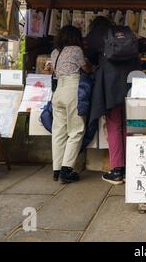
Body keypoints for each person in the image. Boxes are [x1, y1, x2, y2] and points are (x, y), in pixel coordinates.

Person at [87, 16, 143, 185]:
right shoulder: (126, 35)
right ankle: (130, 167)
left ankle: (118, 170)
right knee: (128, 125)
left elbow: (91, 58)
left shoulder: (95, 36)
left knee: (113, 125)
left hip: (110, 86)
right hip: (132, 83)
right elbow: (143, 47)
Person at [51, 25, 91, 184]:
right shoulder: (76, 50)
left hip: (58, 91)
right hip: (72, 88)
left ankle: (56, 169)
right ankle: (67, 170)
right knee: (76, 129)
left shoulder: (55, 52)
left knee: (59, 131)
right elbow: (86, 69)